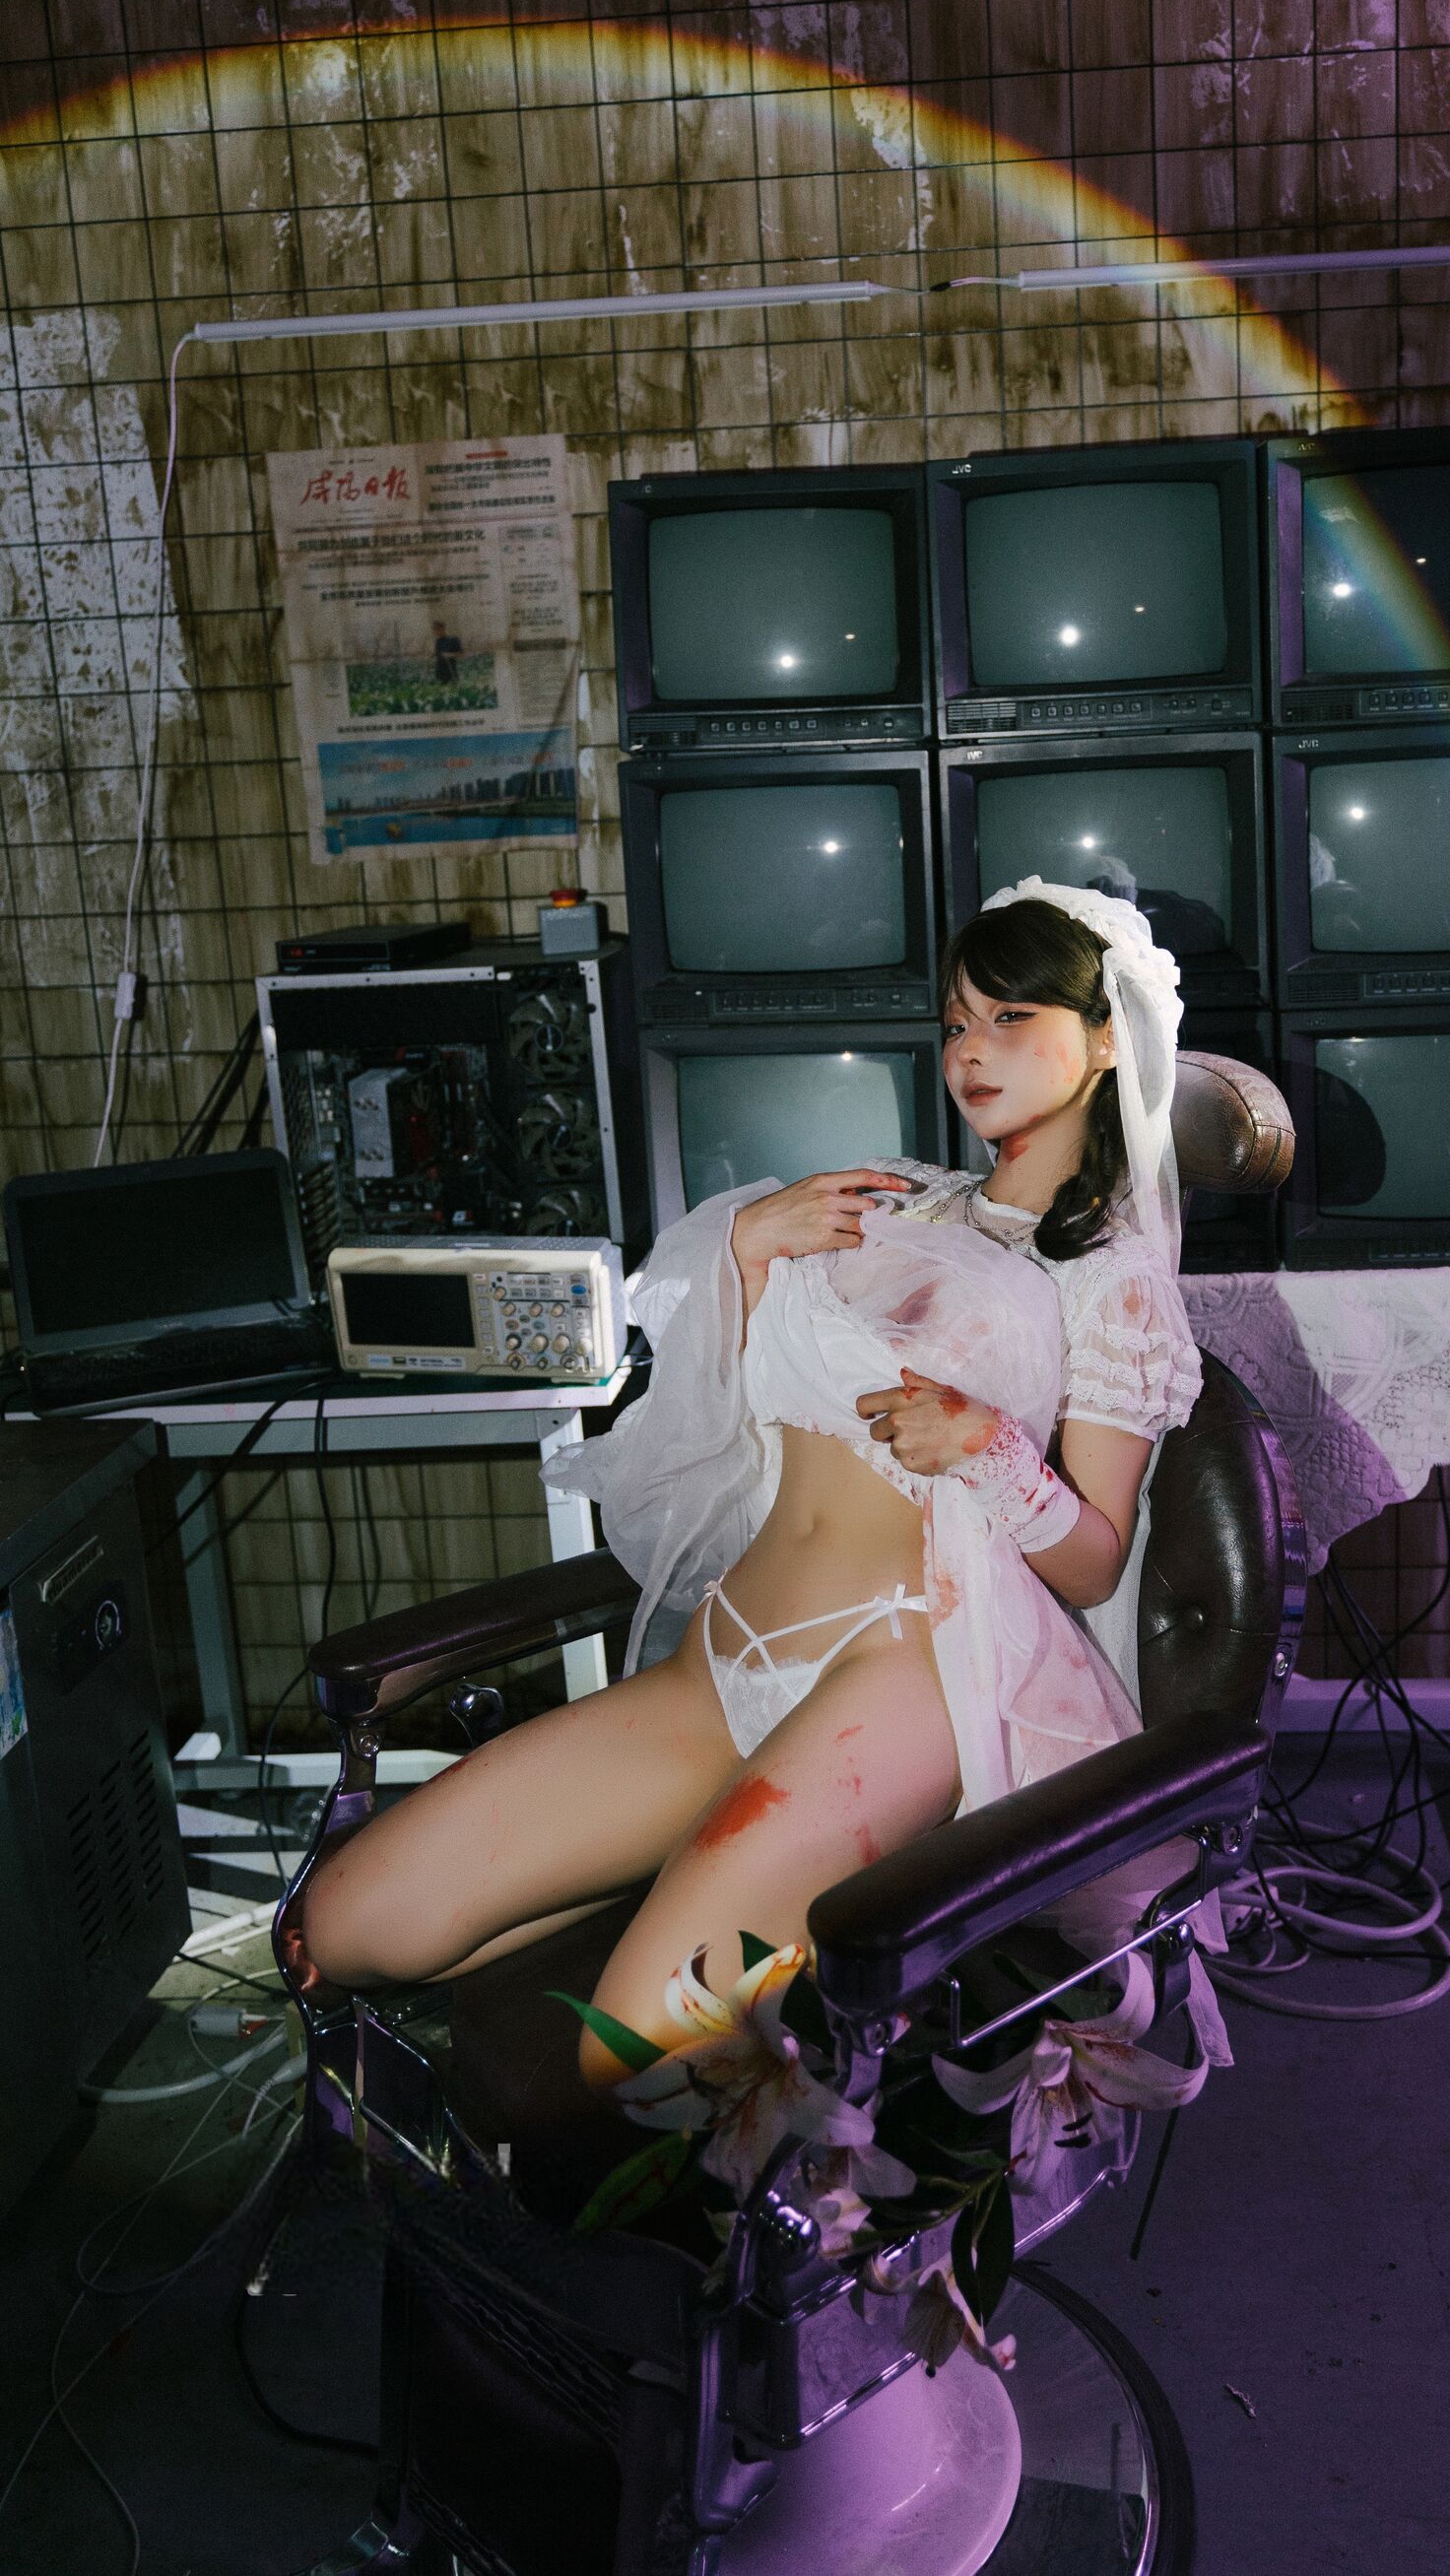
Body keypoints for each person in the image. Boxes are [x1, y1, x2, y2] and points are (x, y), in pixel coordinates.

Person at [299, 880, 1202, 2093]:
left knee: (634, 2049)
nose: (970, 1053)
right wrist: (750, 1247)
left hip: (904, 1677)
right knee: (350, 1925)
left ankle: (774, 1889)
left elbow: (1092, 1565)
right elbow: (713, 1406)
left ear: (1103, 1041)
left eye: (1011, 1019)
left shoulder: (1112, 1281)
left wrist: (988, 1448)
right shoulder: (896, 1201)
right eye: (955, 1024)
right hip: (727, 1657)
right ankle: (697, 1856)